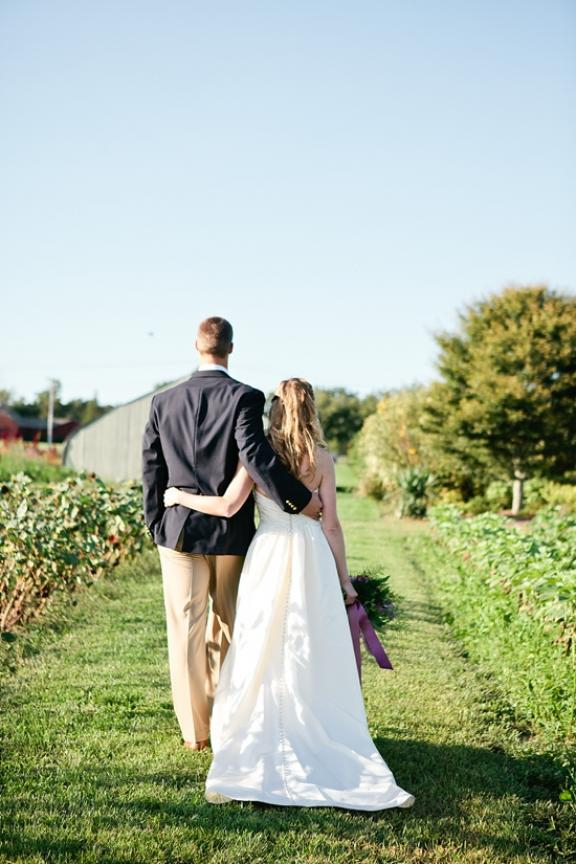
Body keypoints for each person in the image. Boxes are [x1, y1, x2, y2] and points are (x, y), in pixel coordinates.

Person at [163, 378, 415, 811]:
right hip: (311, 557)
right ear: (311, 411)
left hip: (269, 556)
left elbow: (226, 506)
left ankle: (257, 731)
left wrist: (178, 495)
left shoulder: (260, 459)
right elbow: (332, 525)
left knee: (262, 643)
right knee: (307, 642)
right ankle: (310, 727)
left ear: (275, 412)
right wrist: (346, 583)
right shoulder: (321, 460)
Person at [142, 319, 322, 752]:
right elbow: (255, 454)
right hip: (230, 533)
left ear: (196, 347)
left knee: (184, 630)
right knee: (227, 625)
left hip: (177, 531)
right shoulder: (245, 396)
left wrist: (154, 524)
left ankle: (195, 733)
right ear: (231, 349)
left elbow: (151, 467)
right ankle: (226, 722)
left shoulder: (162, 401)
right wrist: (300, 501)